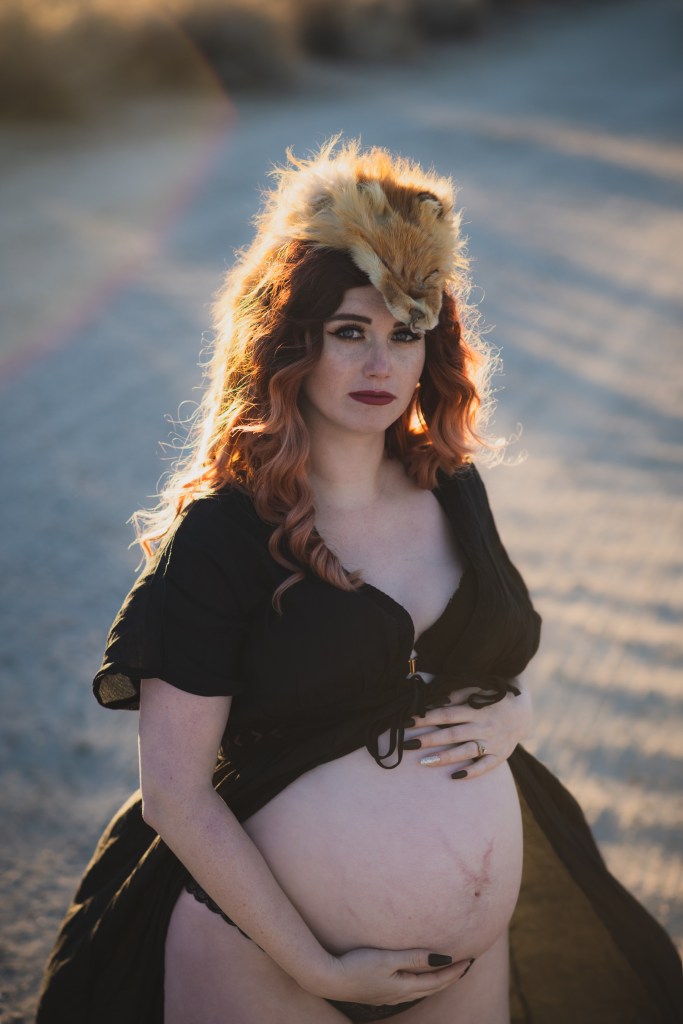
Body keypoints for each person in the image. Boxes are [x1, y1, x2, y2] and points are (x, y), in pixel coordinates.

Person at [37, 139, 682, 1024]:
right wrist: (316, 967)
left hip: (459, 966)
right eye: (350, 333)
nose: (380, 365)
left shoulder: (451, 491)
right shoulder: (225, 532)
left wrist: (512, 714)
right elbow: (175, 795)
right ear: (289, 342)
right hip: (264, 956)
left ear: (432, 350)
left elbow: (491, 664)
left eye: (404, 334)